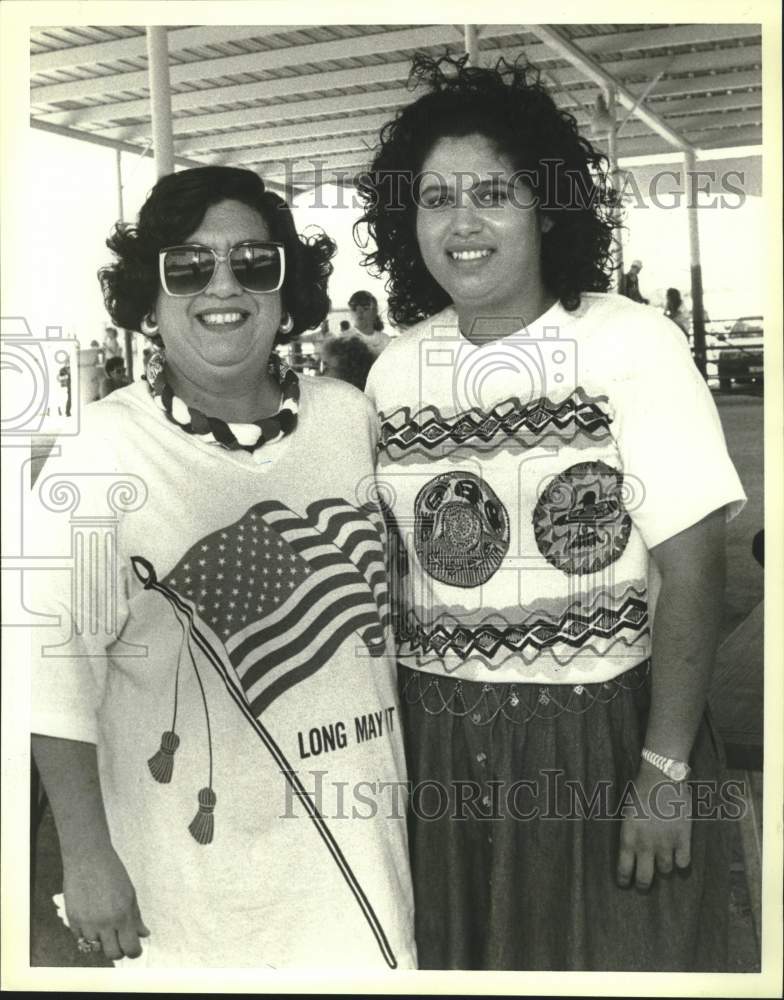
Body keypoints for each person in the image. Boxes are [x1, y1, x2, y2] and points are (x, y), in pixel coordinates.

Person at [355, 54, 746, 972]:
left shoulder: (629, 343)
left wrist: (664, 769)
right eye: (436, 195)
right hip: (437, 739)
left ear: (548, 206)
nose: (462, 222)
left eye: (494, 192)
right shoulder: (391, 370)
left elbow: (697, 571)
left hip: (601, 740)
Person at [29, 166, 416, 970]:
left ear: (287, 289)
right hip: (195, 893)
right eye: (189, 267)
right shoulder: (100, 450)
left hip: (363, 865)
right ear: (150, 296)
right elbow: (49, 667)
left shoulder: (351, 419)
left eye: (253, 262)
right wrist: (87, 857)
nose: (223, 285)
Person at [341, 290, 391, 356]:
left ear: (375, 311)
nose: (359, 312)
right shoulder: (344, 340)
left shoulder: (385, 340)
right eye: (354, 309)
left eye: (365, 308)